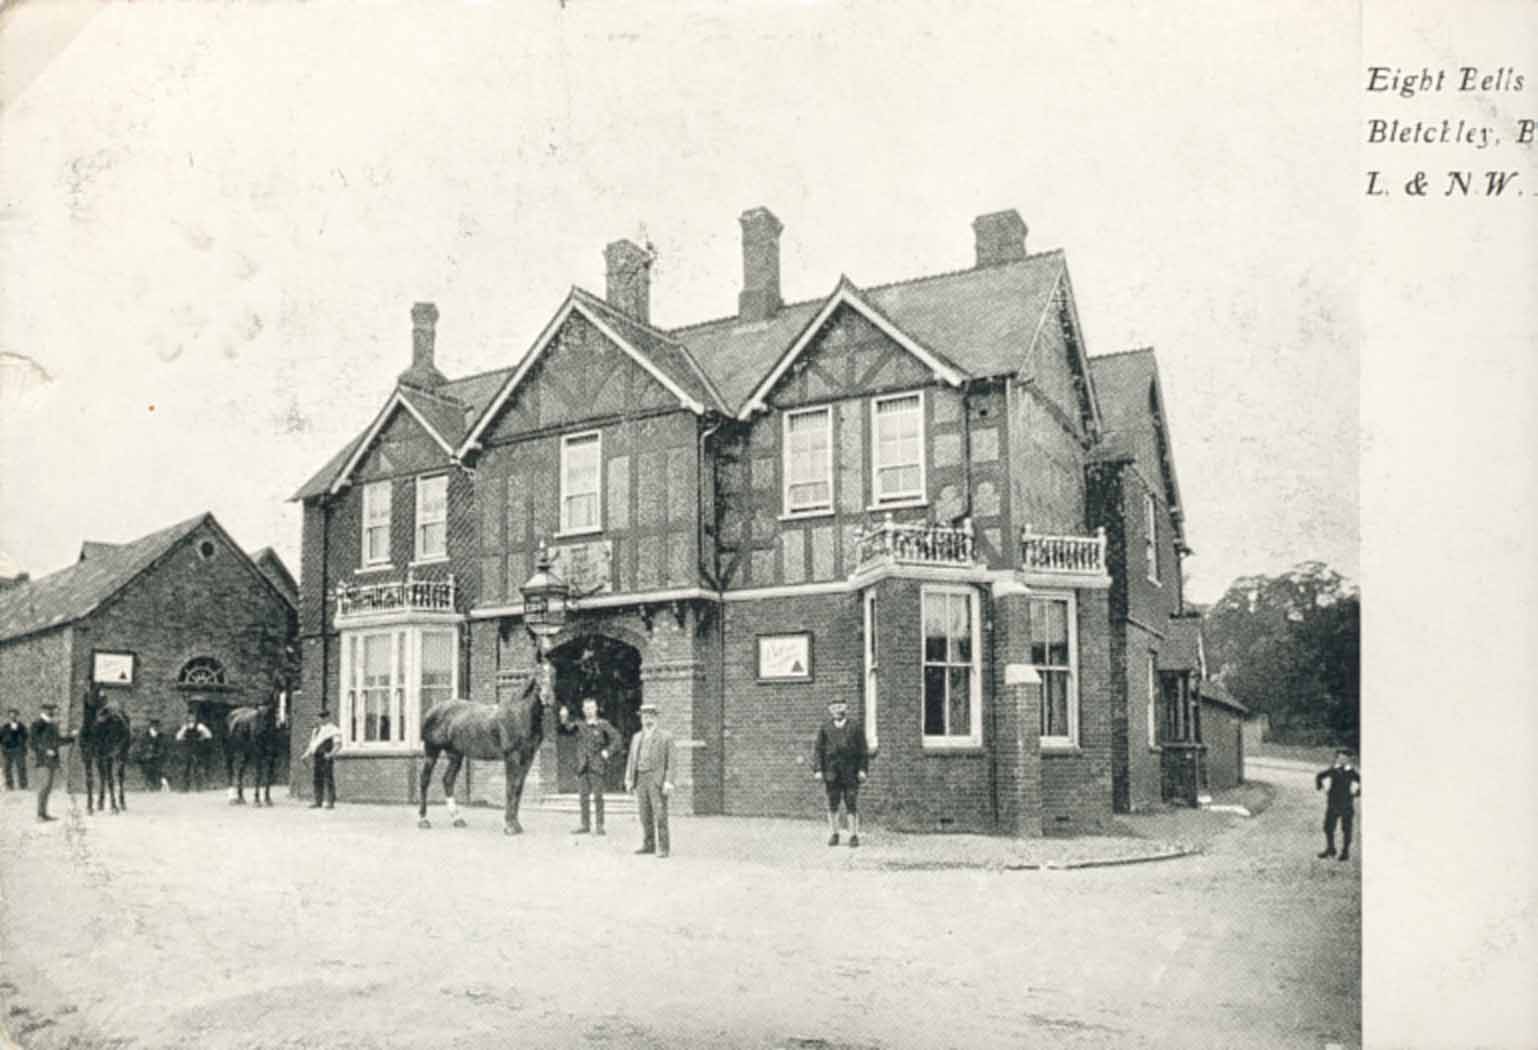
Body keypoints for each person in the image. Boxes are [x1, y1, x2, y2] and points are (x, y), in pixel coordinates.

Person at [558, 697, 622, 836]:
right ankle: (585, 825)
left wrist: (607, 752)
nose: (589, 711)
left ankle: (599, 826)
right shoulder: (580, 725)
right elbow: (567, 728)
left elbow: (617, 739)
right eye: (586, 708)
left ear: (596, 708)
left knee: (598, 796)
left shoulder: (603, 724)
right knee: (583, 797)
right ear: (583, 710)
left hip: (597, 766)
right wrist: (564, 717)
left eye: (591, 708)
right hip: (582, 767)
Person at [812, 698, 869, 847]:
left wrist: (862, 769)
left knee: (851, 802)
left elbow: (863, 750)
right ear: (830, 710)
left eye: (840, 706)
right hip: (832, 772)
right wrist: (818, 769)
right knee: (833, 803)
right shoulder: (825, 728)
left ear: (846, 708)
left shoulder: (855, 727)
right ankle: (834, 833)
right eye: (834, 707)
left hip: (850, 772)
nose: (837, 710)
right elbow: (818, 750)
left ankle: (853, 835)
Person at [623, 703, 675, 858]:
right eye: (645, 716)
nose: (648, 720)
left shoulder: (666, 737)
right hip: (640, 778)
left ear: (656, 718)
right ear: (641, 719)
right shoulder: (636, 737)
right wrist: (629, 779)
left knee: (660, 814)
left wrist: (668, 781)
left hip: (656, 779)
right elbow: (632, 760)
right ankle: (648, 844)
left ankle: (663, 847)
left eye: (651, 716)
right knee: (644, 814)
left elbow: (671, 762)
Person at [29, 702, 74, 822]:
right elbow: (32, 743)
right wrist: (45, 750)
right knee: (44, 786)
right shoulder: (37, 724)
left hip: (52, 760)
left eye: (53, 710)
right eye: (51, 710)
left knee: (48, 787)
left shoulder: (52, 725)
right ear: (44, 710)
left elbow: (57, 741)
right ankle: (39, 815)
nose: (53, 712)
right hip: (43, 760)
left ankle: (44, 814)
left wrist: (71, 738)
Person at [1315, 749, 1361, 861]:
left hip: (1346, 805)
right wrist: (1321, 787)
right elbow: (1319, 776)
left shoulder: (1352, 773)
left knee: (1346, 829)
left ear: (1349, 759)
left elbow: (1361, 784)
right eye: (1339, 758)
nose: (1341, 760)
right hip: (1333, 804)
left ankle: (1345, 852)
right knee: (1328, 827)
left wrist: (1357, 793)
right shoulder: (1333, 770)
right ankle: (1330, 849)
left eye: (1344, 758)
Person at [302, 714, 342, 809]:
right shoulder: (316, 731)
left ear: (327, 718)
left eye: (322, 718)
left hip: (326, 757)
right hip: (317, 757)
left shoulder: (333, 730)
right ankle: (318, 801)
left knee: (328, 779)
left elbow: (338, 744)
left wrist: (330, 754)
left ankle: (330, 801)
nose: (319, 720)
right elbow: (312, 745)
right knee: (317, 779)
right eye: (319, 717)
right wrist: (306, 754)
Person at [175, 710, 213, 792]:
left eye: (193, 717)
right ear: (187, 718)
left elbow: (209, 735)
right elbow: (178, 737)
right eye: (189, 717)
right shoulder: (185, 727)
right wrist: (183, 738)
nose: (191, 718)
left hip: (197, 749)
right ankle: (185, 787)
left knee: (197, 768)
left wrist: (202, 738)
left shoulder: (200, 726)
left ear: (195, 718)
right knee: (186, 768)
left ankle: (199, 787)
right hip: (188, 749)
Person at [133, 718, 169, 791]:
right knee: (147, 768)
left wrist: (155, 755)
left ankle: (162, 784)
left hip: (158, 758)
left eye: (158, 726)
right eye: (154, 726)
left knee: (160, 768)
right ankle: (149, 785)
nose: (156, 728)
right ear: (151, 726)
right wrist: (144, 755)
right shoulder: (144, 736)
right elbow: (141, 748)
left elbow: (162, 748)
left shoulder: (161, 736)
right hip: (146, 758)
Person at [2, 707, 28, 790]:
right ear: (9, 716)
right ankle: (9, 786)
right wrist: (4, 744)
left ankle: (23, 786)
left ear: (17, 715)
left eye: (14, 714)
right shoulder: (5, 727)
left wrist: (22, 744)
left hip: (18, 749)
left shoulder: (21, 726)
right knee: (7, 768)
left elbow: (26, 736)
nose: (12, 716)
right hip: (8, 750)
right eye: (11, 714)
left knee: (21, 767)